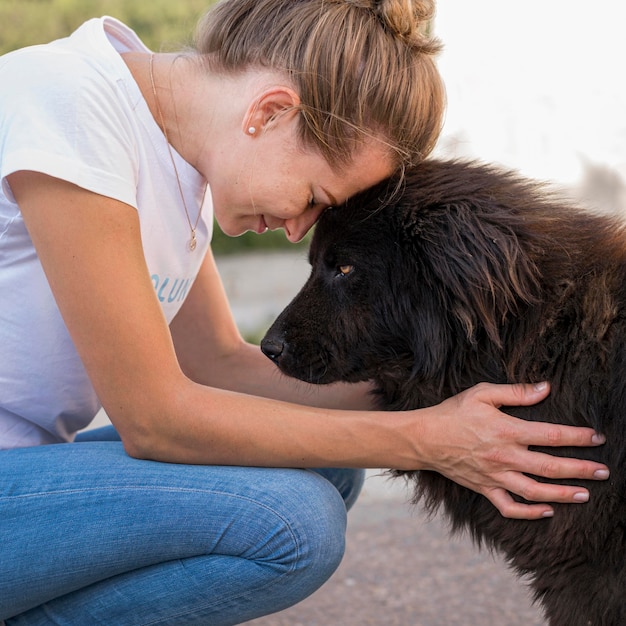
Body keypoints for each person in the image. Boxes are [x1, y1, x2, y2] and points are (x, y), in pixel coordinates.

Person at [0, 1, 609, 624]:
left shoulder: (172, 159)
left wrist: (479, 404)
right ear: (269, 112)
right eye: (315, 196)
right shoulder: (71, 105)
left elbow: (217, 365)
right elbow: (155, 419)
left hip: (22, 471)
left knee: (327, 463)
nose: (298, 230)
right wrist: (426, 439)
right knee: (289, 524)